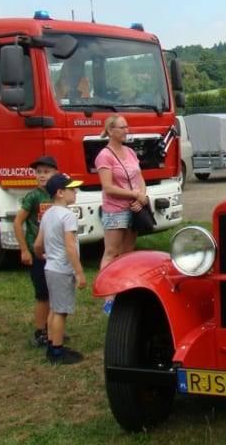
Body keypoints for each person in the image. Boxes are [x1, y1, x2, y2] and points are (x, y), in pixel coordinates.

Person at [94, 116, 148, 314]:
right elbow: (108, 188)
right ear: (110, 130)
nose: (126, 130)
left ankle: (124, 291)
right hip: (115, 210)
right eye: (122, 127)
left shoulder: (131, 152)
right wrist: (135, 194)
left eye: (127, 127)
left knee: (128, 253)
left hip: (134, 209)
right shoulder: (104, 156)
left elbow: (139, 177)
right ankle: (108, 296)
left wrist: (142, 196)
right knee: (112, 253)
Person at [34, 173, 86, 365]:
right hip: (63, 270)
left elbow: (38, 244)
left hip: (50, 268)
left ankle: (51, 343)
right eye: (72, 189)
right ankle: (57, 351)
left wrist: (43, 256)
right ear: (60, 193)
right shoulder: (68, 216)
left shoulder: (47, 214)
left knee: (54, 308)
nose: (75, 192)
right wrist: (79, 272)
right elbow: (70, 246)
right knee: (60, 311)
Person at [13, 155, 58, 347]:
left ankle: (53, 328)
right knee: (42, 293)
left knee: (55, 292)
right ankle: (40, 331)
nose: (41, 175)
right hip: (38, 252)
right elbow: (18, 221)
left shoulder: (58, 195)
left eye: (46, 172)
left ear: (56, 173)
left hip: (56, 251)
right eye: (38, 172)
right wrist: (24, 249)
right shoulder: (33, 197)